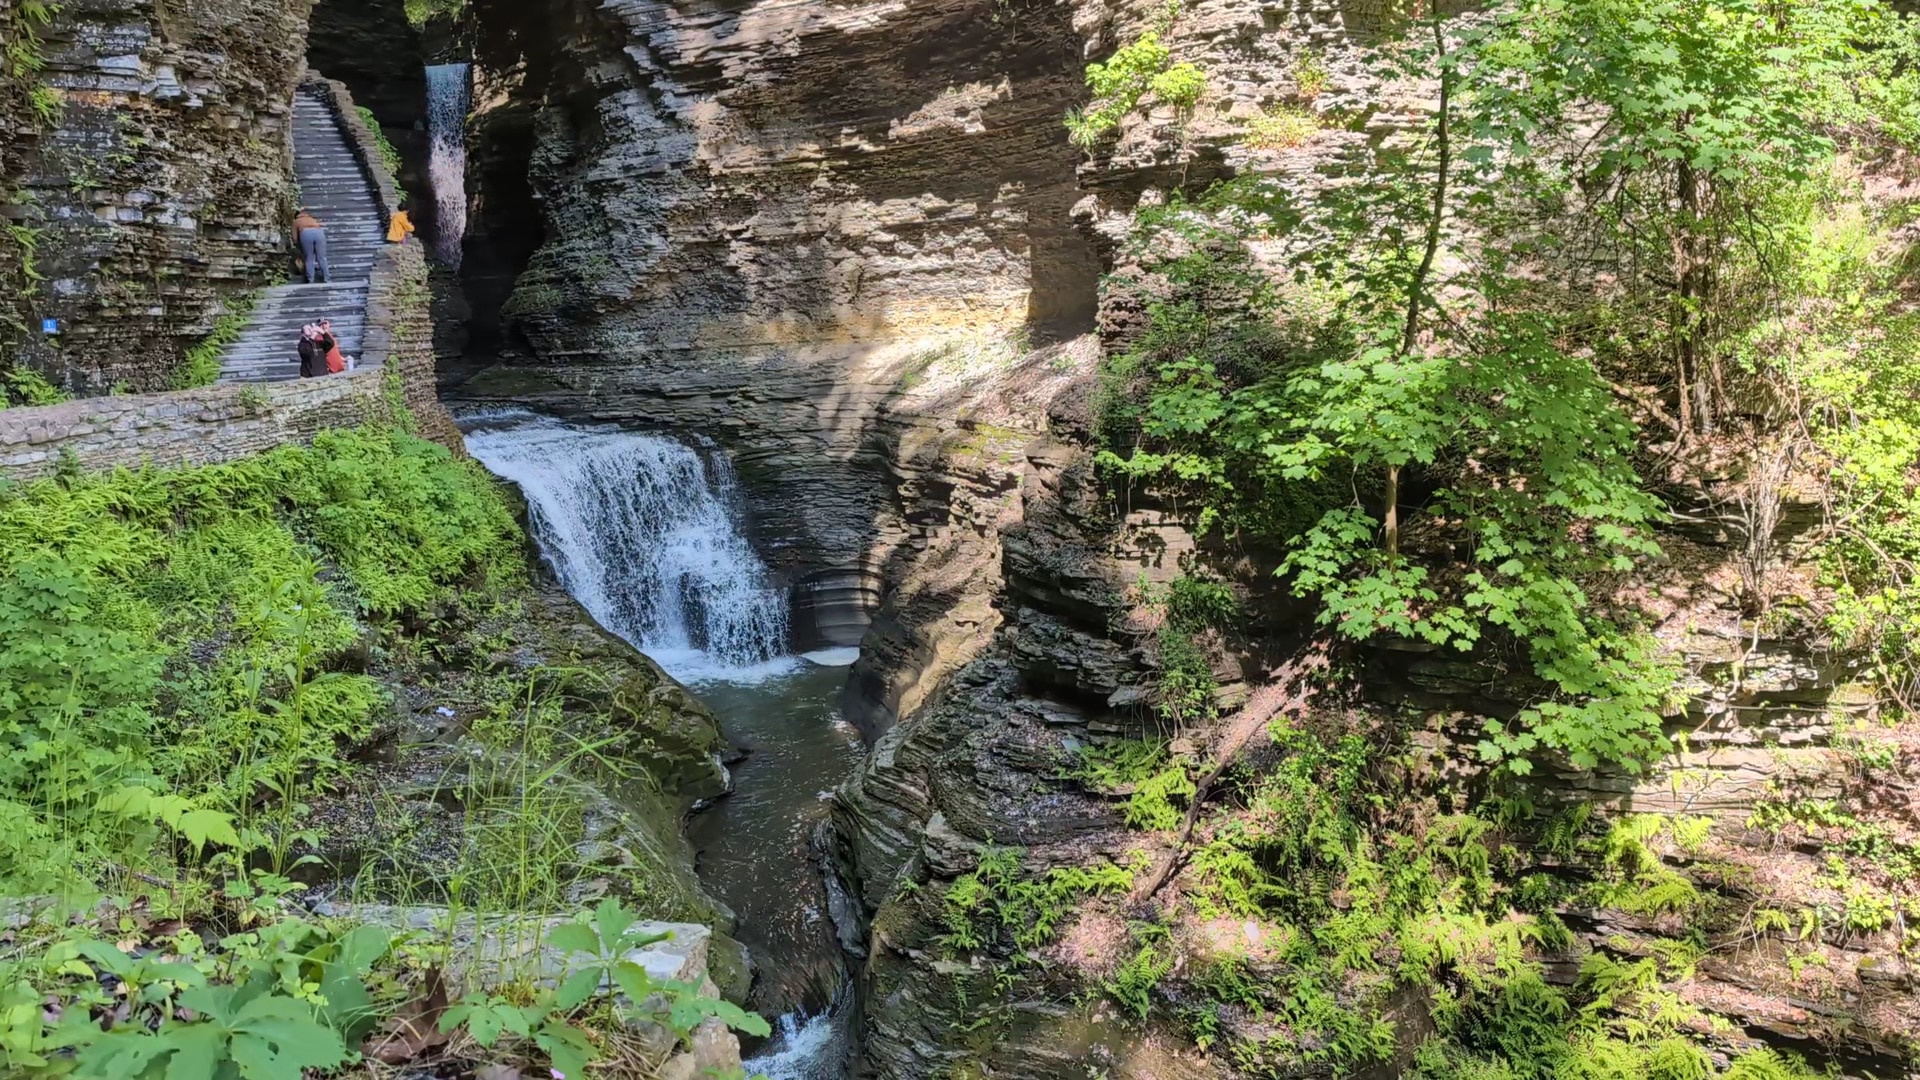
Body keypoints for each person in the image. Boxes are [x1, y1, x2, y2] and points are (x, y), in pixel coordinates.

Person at [294, 207, 328, 284]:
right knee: (322, 257)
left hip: (306, 233)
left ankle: (311, 279)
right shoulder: (312, 219)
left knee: (309, 258)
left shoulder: (296, 221)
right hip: (319, 232)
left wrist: (298, 246)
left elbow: (295, 238)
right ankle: (327, 278)